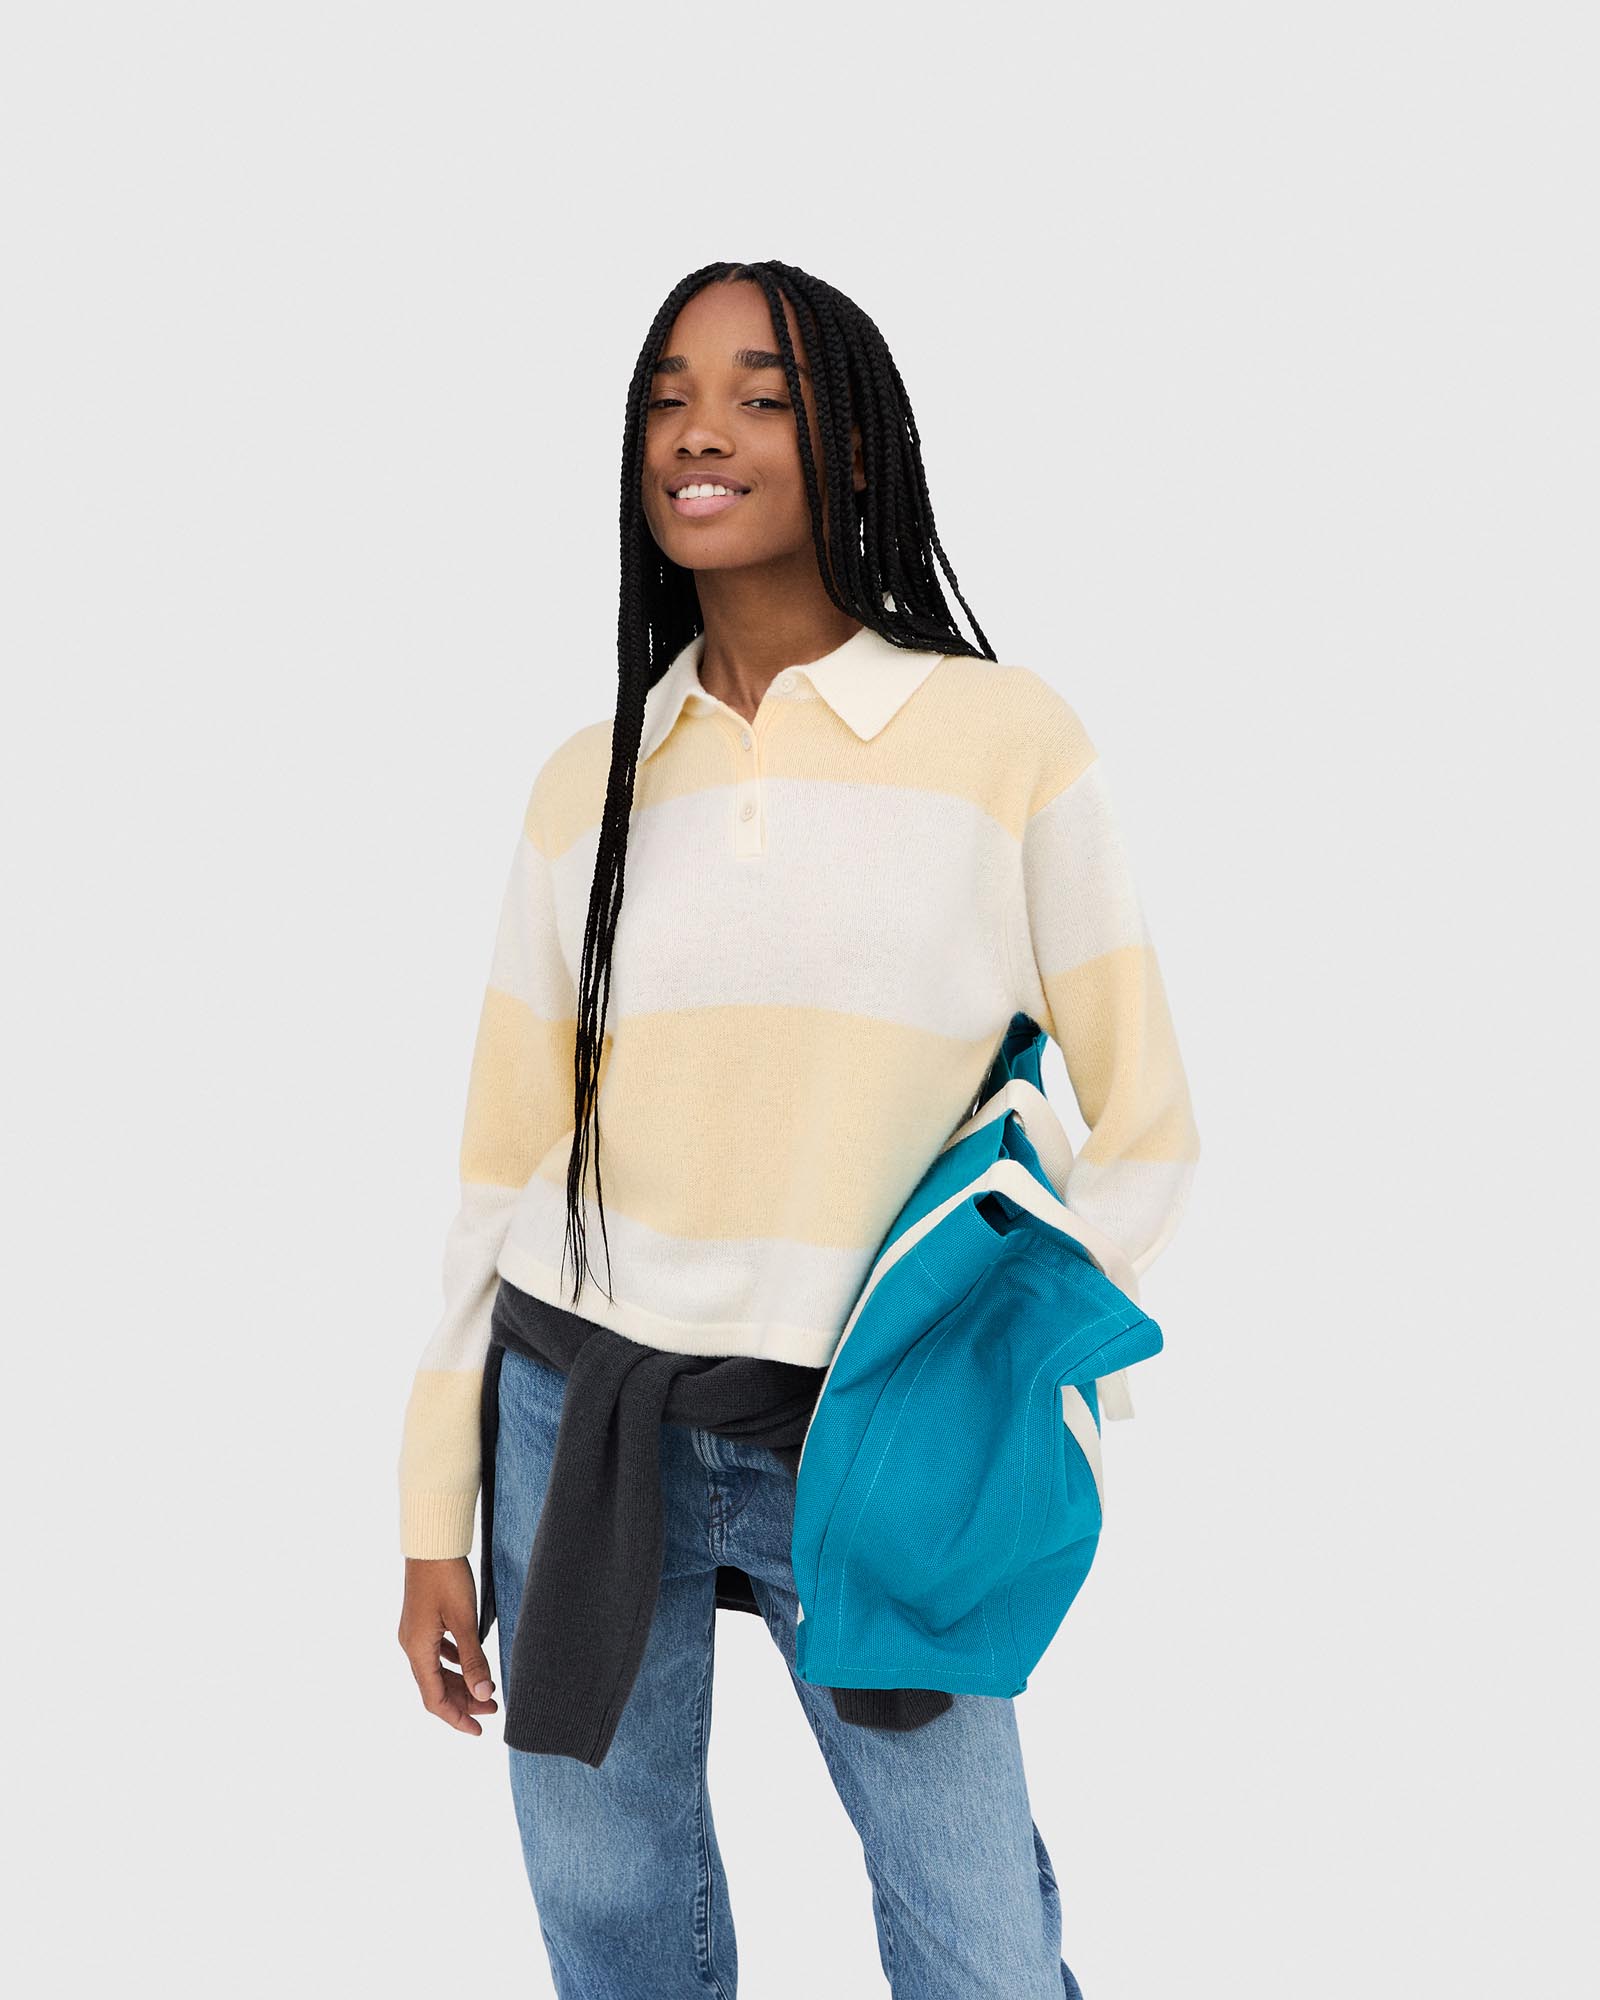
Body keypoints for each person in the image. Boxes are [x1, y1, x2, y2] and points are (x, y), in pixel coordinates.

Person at [395, 257, 1200, 1998]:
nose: (703, 432)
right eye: (669, 399)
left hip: (876, 1429)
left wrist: (1014, 1369)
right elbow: (500, 1166)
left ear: (852, 447)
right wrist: (430, 1509)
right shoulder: (593, 781)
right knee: (612, 1917)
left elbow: (1148, 1117)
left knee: (976, 1939)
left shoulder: (1002, 742)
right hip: (582, 1415)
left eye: (762, 396)